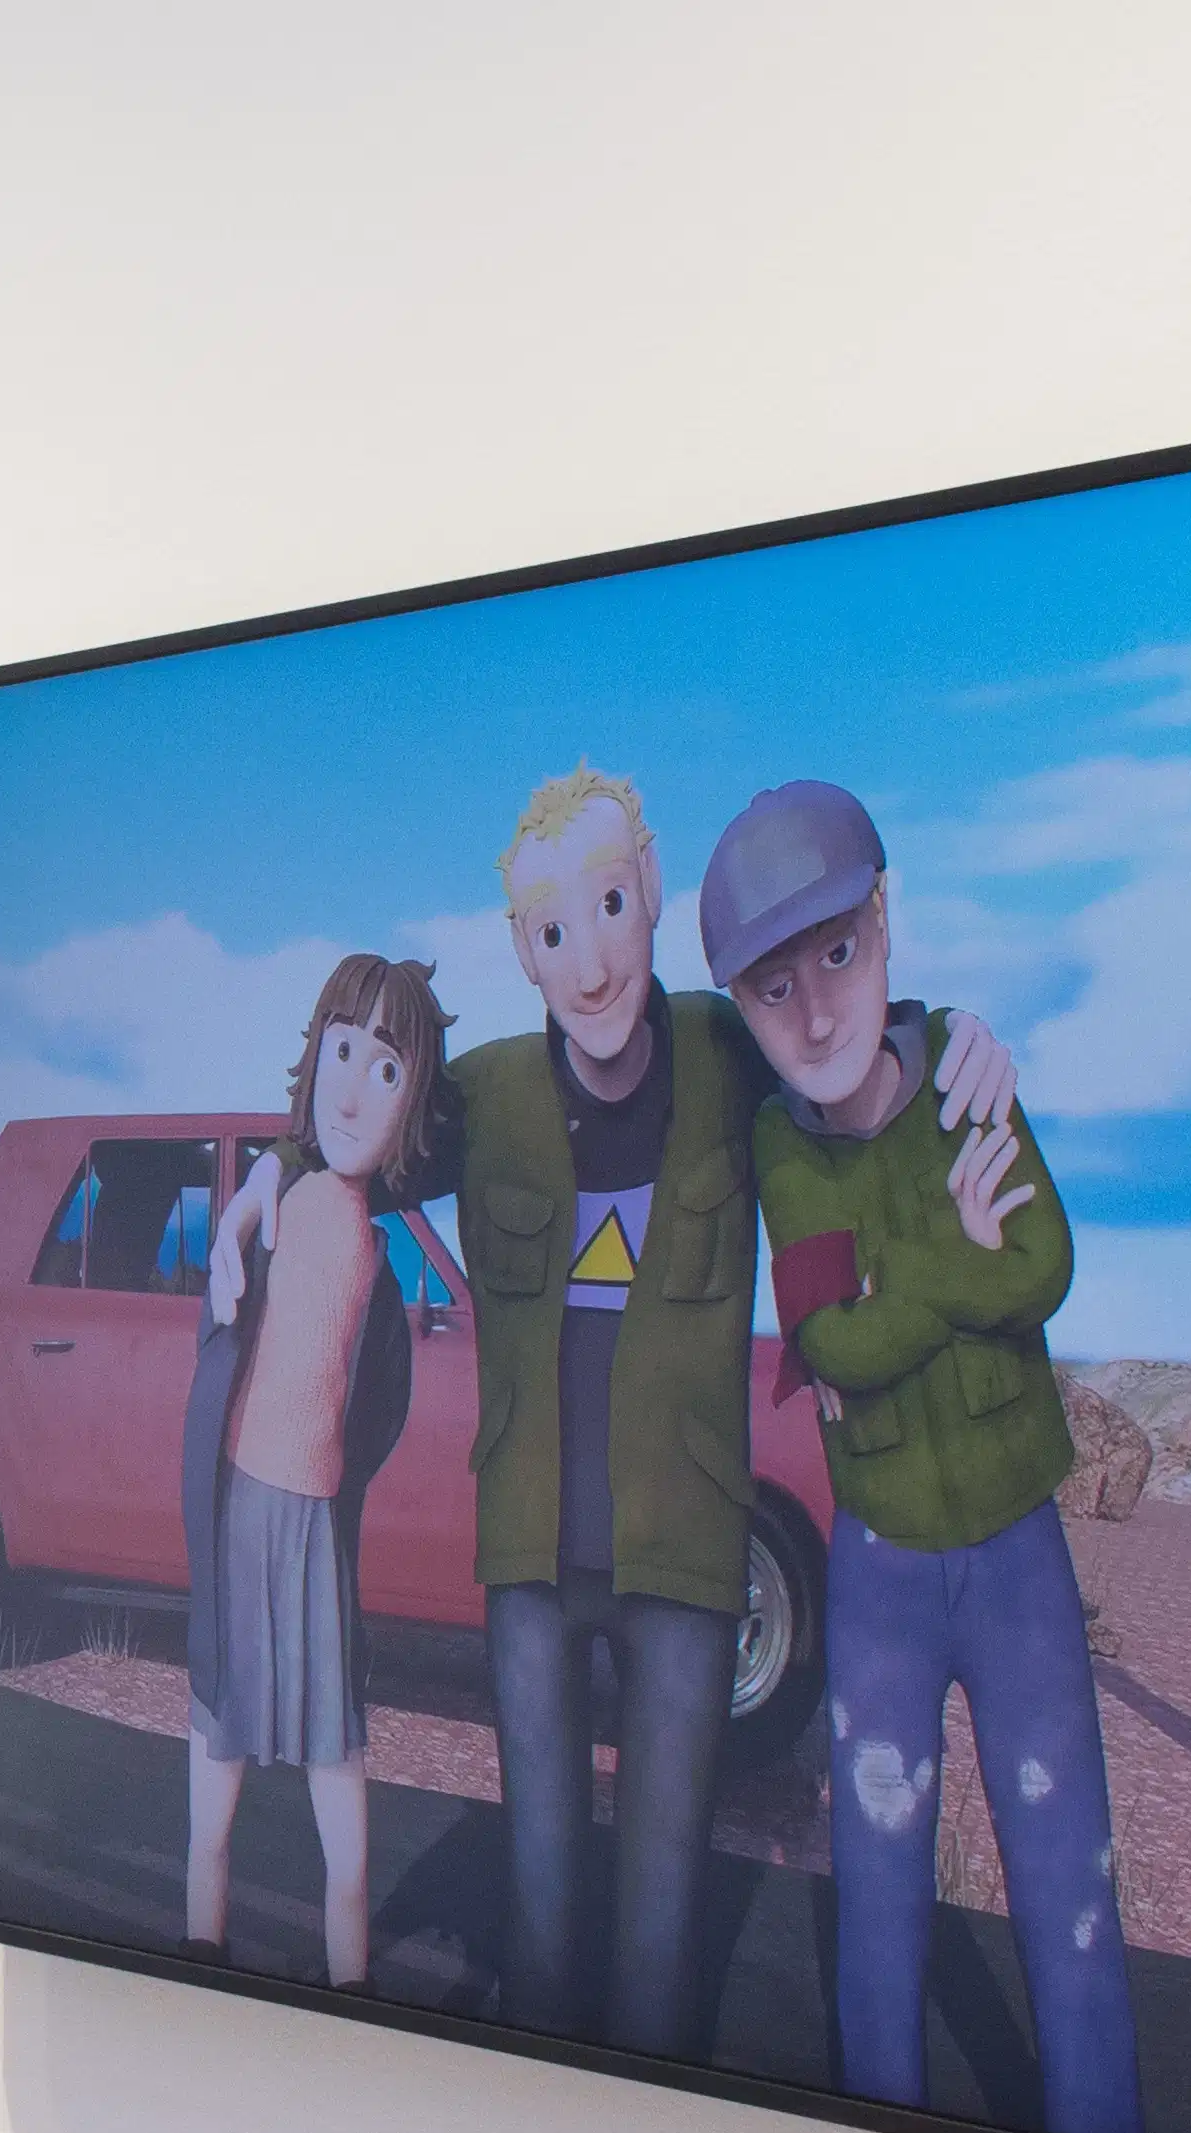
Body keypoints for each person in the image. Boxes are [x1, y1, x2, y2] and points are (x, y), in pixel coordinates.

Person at [206, 767, 1018, 2057]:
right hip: (529, 1560)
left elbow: (837, 1028)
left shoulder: (723, 1047)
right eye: (551, 931)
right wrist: (269, 1177)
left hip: (686, 1557)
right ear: (523, 955)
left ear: (652, 902)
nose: (588, 962)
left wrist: (944, 1031)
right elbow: (356, 1123)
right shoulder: (485, 1096)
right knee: (542, 1912)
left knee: (658, 1926)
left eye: (610, 907)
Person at [708, 779, 1142, 2133]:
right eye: (774, 991)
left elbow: (1048, 1264)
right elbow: (838, 1341)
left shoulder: (963, 1065)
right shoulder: (785, 1148)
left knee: (1066, 1874)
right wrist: (956, 1265)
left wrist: (930, 1282)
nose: (820, 1011)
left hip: (1018, 1553)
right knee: (881, 1880)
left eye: (837, 953)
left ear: (885, 921)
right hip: (882, 1562)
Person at [184, 954, 451, 1988]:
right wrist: (232, 1235)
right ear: (314, 1059)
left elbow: (375, 1405)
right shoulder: (288, 1185)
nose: (353, 1086)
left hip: (318, 1537)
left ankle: (354, 1997)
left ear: (413, 1102)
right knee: (211, 1800)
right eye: (343, 1051)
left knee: (346, 1822)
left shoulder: (380, 1254)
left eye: (387, 1071)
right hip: (244, 1517)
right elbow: (263, 1181)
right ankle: (194, 1967)